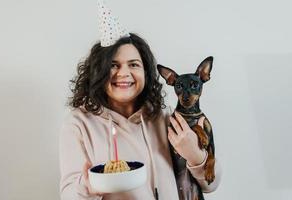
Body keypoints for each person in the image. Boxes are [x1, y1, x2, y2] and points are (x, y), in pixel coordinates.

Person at [59, 33, 221, 200]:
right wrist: (89, 186)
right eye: (113, 65)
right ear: (99, 72)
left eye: (133, 64)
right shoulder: (78, 124)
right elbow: (69, 195)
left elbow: (211, 185)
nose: (124, 73)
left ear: (146, 72)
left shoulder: (167, 118)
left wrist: (196, 156)